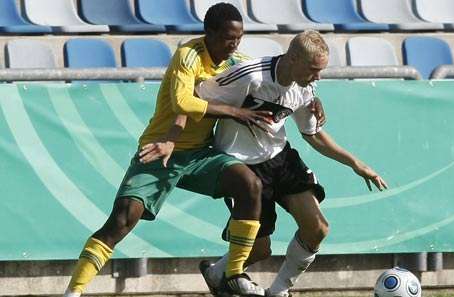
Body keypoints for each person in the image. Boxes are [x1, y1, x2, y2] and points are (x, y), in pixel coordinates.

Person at [63, 3, 274, 297]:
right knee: (122, 220)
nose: (234, 44)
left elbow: (274, 79)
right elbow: (182, 104)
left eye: (238, 38)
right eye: (228, 38)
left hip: (201, 154)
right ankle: (74, 291)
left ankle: (232, 275)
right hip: (160, 150)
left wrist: (308, 97)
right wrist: (234, 113)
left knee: (249, 184)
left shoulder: (237, 62)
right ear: (209, 33)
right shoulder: (188, 55)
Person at [187, 30, 388, 297]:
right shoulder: (251, 76)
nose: (318, 77)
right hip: (242, 169)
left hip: (280, 159)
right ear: (293, 58)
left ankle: (280, 291)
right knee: (260, 250)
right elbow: (196, 96)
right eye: (314, 70)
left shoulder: (305, 87)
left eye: (321, 71)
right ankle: (216, 274)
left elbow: (312, 134)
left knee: (317, 228)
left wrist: (355, 163)